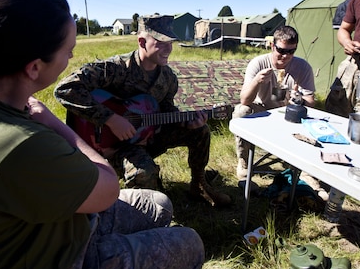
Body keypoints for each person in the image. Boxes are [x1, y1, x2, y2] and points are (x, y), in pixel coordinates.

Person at [0, 0, 204, 269]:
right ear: (35, 67)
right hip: (57, 259)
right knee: (189, 241)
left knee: (159, 204)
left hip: (46, 229)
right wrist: (57, 123)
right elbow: (106, 189)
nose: (72, 57)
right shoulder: (22, 144)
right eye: (68, 50)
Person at [54, 14, 231, 207]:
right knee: (144, 174)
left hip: (148, 134)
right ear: (141, 41)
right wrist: (111, 119)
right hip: (110, 146)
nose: (168, 49)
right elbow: (65, 89)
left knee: (201, 131)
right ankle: (139, 206)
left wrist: (187, 121)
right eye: (161, 42)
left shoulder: (168, 78)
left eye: (170, 42)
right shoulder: (115, 69)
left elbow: (167, 110)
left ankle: (199, 184)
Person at [232, 25, 315, 179]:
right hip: (262, 110)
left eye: (291, 51)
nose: (286, 56)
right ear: (272, 46)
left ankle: (308, 173)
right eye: (282, 51)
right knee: (241, 111)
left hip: (288, 113)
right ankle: (243, 162)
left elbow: (311, 101)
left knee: (314, 122)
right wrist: (257, 81)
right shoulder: (258, 63)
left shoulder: (303, 67)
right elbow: (244, 100)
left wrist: (299, 100)